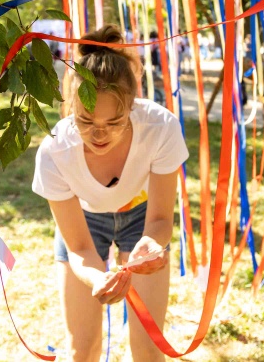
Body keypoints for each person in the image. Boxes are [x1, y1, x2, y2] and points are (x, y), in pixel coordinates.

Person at [33, 25, 188, 362]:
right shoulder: (54, 152)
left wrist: (153, 244)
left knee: (148, 346)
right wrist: (97, 277)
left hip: (140, 215)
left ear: (132, 105)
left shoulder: (160, 128)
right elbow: (79, 247)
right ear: (71, 106)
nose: (99, 134)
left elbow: (160, 219)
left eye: (115, 121)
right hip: (85, 221)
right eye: (85, 122)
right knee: (82, 347)